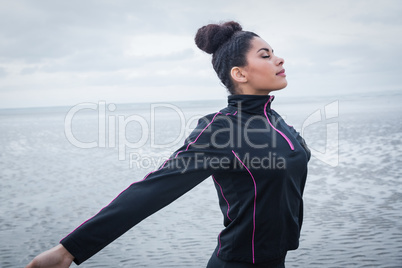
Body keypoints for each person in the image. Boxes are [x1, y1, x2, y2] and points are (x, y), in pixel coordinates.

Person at [26, 21, 310, 268]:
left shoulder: (276, 122)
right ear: (240, 73)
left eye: (274, 53)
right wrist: (69, 250)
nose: (279, 59)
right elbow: (153, 189)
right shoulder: (222, 130)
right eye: (266, 55)